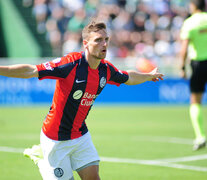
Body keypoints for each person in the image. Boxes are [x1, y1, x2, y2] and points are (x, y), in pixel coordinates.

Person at [0, 18, 163, 180]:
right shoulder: (70, 64)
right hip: (56, 138)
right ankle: (42, 159)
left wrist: (148, 76)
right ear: (86, 44)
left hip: (80, 134)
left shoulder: (105, 70)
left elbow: (128, 77)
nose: (104, 44)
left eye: (106, 39)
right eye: (98, 40)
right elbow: (30, 71)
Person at [180, 0, 207, 151]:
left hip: (198, 65)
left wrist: (182, 67)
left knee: (195, 101)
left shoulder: (190, 23)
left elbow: (184, 48)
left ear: (193, 6)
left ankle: (200, 135)